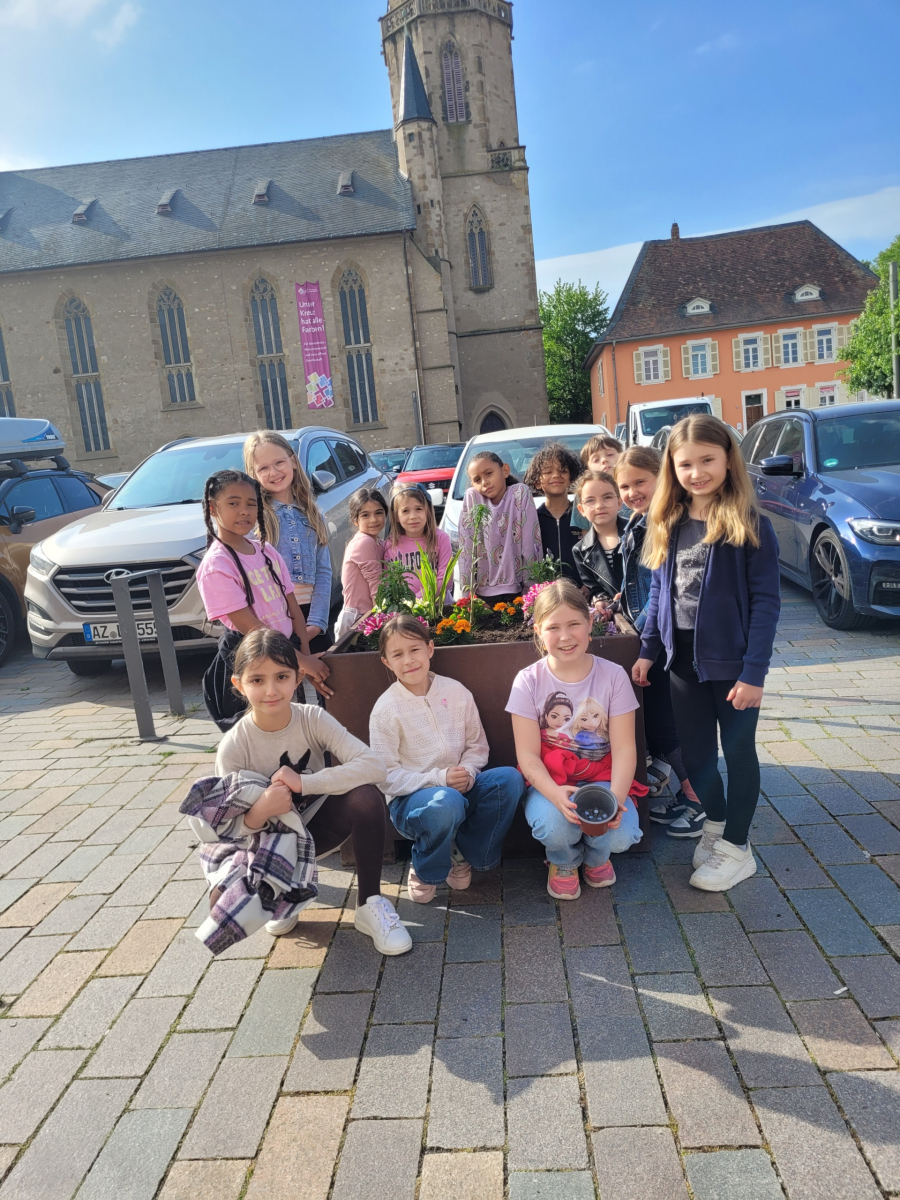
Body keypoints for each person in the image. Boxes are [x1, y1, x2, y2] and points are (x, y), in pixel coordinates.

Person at [633, 414, 781, 892]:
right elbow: (660, 593)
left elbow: (766, 603)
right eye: (686, 464)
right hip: (681, 661)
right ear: (672, 469)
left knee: (737, 752)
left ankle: (737, 848)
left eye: (707, 460)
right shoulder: (667, 522)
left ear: (728, 460)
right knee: (696, 758)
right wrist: (648, 649)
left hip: (734, 664)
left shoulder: (750, 524)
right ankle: (716, 823)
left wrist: (755, 672)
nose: (697, 473)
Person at [216, 627, 411, 953]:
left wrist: (305, 783)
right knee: (273, 909)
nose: (271, 690)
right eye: (257, 680)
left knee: (366, 798)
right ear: (239, 684)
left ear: (298, 677)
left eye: (281, 677)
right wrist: (261, 809)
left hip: (319, 831)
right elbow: (225, 829)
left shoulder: (312, 718)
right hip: (268, 848)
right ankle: (279, 892)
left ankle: (369, 903)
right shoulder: (233, 747)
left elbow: (374, 766)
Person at [369, 614, 523, 903]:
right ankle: (426, 868)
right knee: (445, 801)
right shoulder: (386, 710)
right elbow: (385, 776)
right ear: (386, 662)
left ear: (430, 649)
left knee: (509, 780)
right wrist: (439, 779)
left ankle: (460, 853)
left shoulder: (456, 692)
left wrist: (468, 772)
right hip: (411, 802)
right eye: (398, 655)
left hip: (460, 789)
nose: (408, 660)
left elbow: (477, 745)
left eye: (415, 649)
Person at [507, 579, 644, 899]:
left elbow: (625, 748)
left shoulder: (613, 676)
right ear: (539, 631)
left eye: (574, 624)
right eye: (553, 627)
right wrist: (554, 794)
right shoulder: (527, 681)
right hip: (553, 780)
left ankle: (597, 857)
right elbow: (527, 756)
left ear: (590, 623)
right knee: (554, 826)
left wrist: (615, 799)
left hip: (603, 778)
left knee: (621, 835)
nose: (565, 636)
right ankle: (563, 860)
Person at [196, 470, 331, 730]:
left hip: (286, 654)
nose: (244, 511)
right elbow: (252, 628)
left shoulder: (266, 550)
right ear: (213, 508)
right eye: (233, 503)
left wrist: (305, 658)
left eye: (251, 503)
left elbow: (293, 608)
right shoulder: (217, 565)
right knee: (262, 734)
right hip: (252, 662)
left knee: (290, 728)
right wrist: (301, 662)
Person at [615, 446, 701, 824]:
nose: (632, 492)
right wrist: (618, 602)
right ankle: (689, 794)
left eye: (640, 482)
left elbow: (662, 592)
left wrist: (644, 638)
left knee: (668, 725)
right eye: (624, 486)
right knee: (660, 722)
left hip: (666, 640)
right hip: (650, 635)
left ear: (661, 478)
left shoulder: (666, 523)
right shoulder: (638, 521)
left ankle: (700, 801)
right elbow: (637, 583)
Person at [244, 431, 333, 655]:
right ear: (253, 474)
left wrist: (316, 622)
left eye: (279, 463)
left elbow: (323, 571)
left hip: (311, 616)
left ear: (293, 461)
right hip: (274, 621)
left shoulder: (313, 514)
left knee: (325, 673)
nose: (274, 472)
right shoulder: (254, 520)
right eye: (264, 468)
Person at [457, 450, 542, 603]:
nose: (484, 482)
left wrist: (531, 592)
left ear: (505, 470)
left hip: (518, 592)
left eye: (488, 473)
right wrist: (469, 597)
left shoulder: (520, 493)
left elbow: (530, 543)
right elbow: (466, 550)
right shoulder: (472, 498)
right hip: (481, 596)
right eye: (477, 479)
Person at [524, 442, 584, 585]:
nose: (556, 475)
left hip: (582, 591)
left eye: (563, 470)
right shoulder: (533, 519)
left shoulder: (582, 515)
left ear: (571, 478)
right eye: (548, 472)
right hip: (546, 593)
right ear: (537, 482)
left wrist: (587, 586)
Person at [384, 483, 454, 599]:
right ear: (396, 516)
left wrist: (418, 600)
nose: (413, 516)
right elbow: (388, 583)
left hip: (438, 606)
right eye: (405, 511)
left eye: (418, 509)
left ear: (427, 511)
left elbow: (446, 579)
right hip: (405, 607)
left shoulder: (441, 538)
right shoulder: (391, 544)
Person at [336, 487, 388, 638]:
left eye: (378, 513)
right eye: (365, 515)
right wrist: (383, 624)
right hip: (359, 620)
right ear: (355, 520)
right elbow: (376, 587)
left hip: (368, 616)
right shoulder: (363, 542)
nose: (373, 519)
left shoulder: (379, 542)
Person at [572, 470, 628, 601]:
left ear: (619, 502)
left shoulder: (638, 533)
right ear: (581, 509)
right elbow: (595, 588)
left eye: (607, 497)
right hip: (615, 612)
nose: (599, 505)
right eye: (590, 500)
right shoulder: (580, 551)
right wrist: (600, 600)